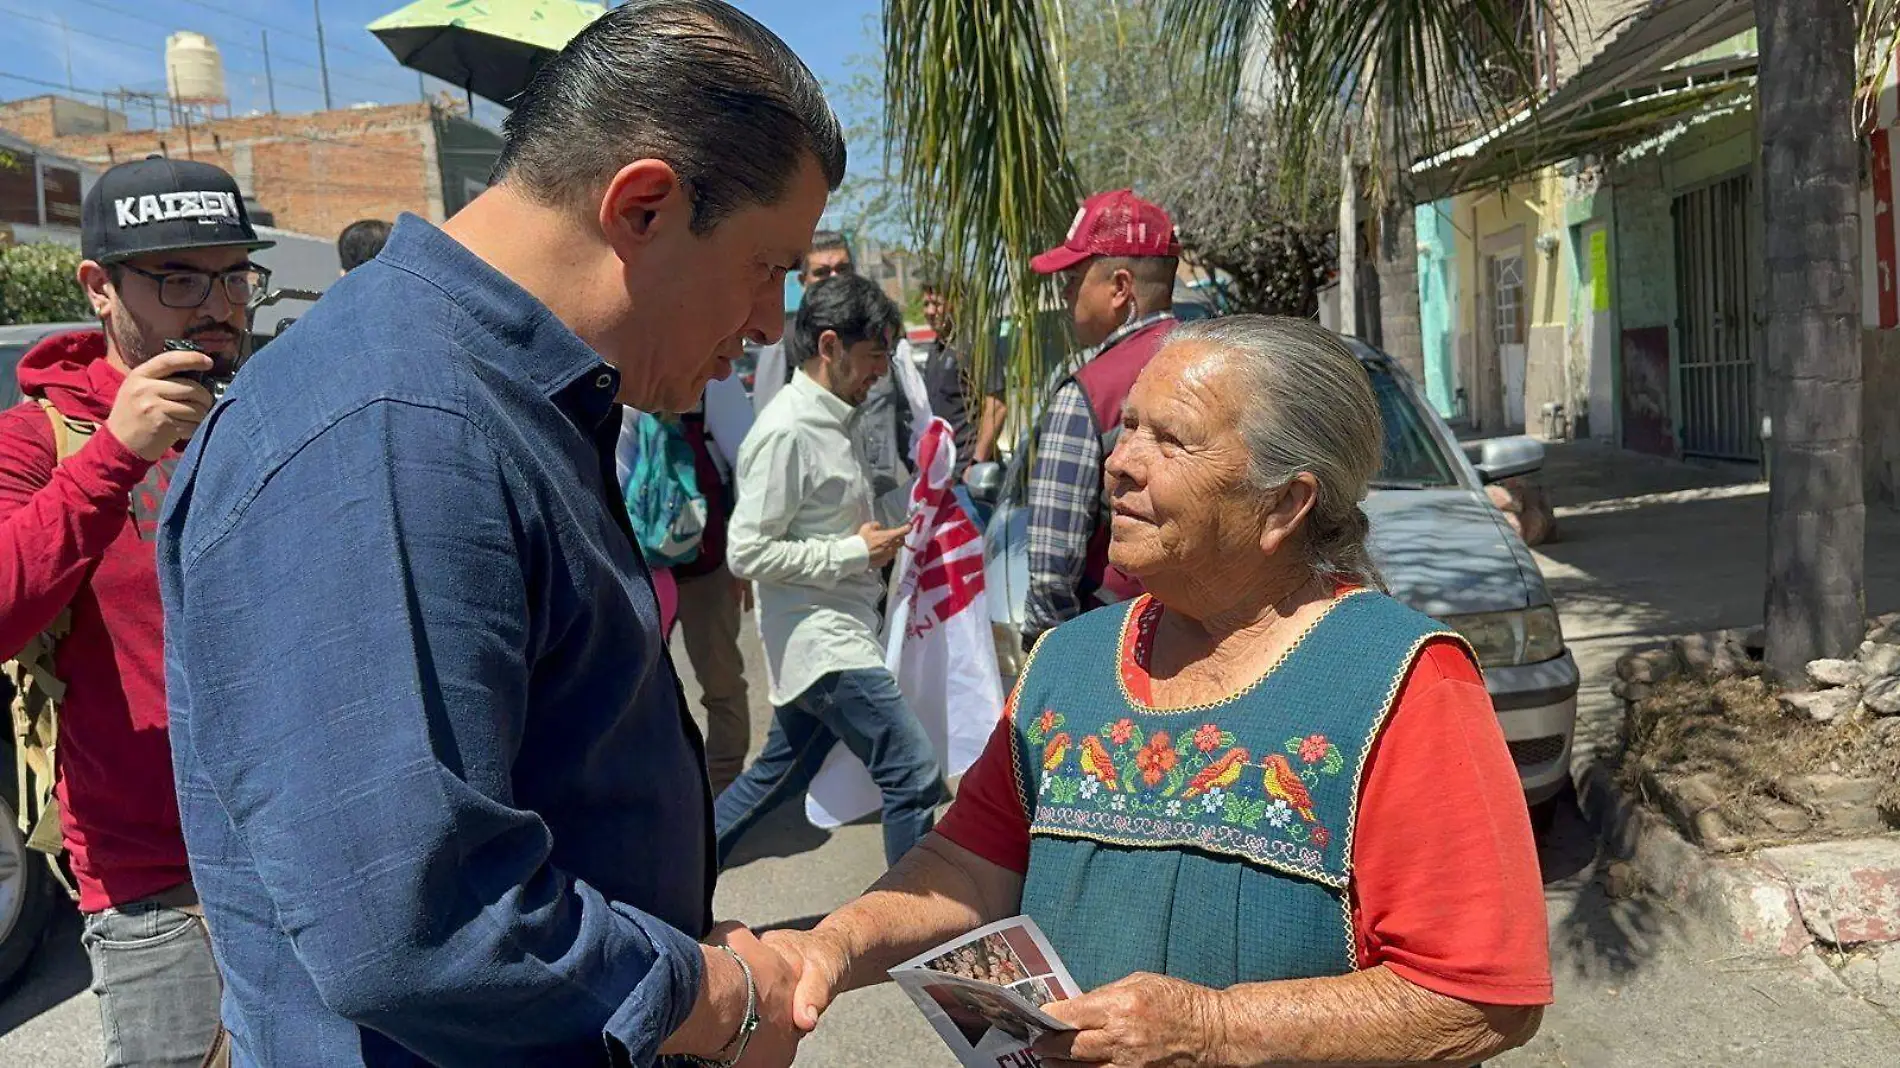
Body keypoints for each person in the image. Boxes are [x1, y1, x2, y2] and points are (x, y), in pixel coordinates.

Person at [156, 4, 844, 1064]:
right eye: (766, 265)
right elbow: (422, 921)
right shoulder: (392, 427)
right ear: (646, 209)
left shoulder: (496, 401)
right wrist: (711, 996)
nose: (768, 321)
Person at [765, 318, 1551, 1067]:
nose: (1121, 460)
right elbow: (968, 867)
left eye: (1172, 440)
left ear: (1284, 503)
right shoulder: (1067, 665)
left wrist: (1214, 1031)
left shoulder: (1402, 680)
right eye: (1130, 426)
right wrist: (831, 944)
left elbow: (1478, 995)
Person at [0, 155, 268, 1068]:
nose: (219, 305)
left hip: (301, 852)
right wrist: (114, 455)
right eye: (180, 278)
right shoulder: (42, 436)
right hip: (154, 881)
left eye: (235, 274)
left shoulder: (265, 408)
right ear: (99, 289)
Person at [720, 273, 943, 868]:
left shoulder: (836, 420)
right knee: (912, 770)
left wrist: (926, 494)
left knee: (773, 783)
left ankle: (657, 883)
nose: (880, 373)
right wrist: (852, 554)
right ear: (829, 346)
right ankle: (916, 926)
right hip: (822, 640)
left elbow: (844, 520)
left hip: (837, 632)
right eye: (873, 357)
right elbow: (746, 551)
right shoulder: (788, 431)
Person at [1022, 188, 1182, 650]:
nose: (1066, 294)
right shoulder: (1226, 364)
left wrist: (1049, 654)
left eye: (1073, 279)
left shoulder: (1086, 395)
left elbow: (1053, 569)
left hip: (1116, 641)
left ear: (1119, 288)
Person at [675, 371, 755, 795]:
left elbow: (749, 464)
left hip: (706, 562)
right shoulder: (620, 365)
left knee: (720, 680)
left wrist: (742, 557)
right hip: (645, 565)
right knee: (639, 687)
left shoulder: (713, 377)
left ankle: (721, 792)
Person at [749, 229, 852, 416]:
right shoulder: (784, 341)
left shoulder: (877, 333)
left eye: (842, 269)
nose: (835, 279)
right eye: (822, 272)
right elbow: (768, 420)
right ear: (803, 280)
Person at [918, 277, 1006, 475]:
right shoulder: (936, 350)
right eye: (926, 304)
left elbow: (997, 406)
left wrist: (976, 462)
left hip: (969, 474)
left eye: (937, 304)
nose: (930, 311)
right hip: (942, 472)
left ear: (956, 304)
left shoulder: (975, 344)